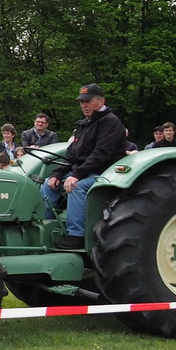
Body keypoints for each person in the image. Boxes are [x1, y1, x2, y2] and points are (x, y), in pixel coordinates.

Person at [40, 84, 126, 248]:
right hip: (83, 171)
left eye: (88, 101)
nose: (84, 105)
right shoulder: (84, 124)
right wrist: (57, 174)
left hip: (103, 173)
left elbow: (100, 155)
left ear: (101, 101)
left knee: (76, 186)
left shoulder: (110, 122)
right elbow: (71, 154)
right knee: (47, 185)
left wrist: (76, 175)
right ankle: (43, 227)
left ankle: (76, 235)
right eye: (81, 102)